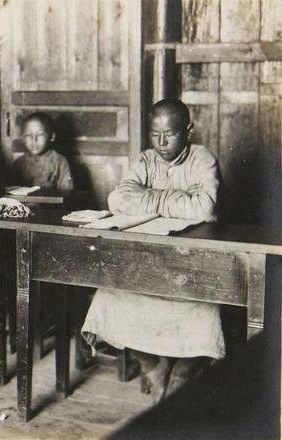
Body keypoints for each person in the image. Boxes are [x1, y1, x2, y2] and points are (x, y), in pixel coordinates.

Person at [82, 98, 223, 402]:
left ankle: (185, 370)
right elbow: (117, 201)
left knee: (202, 307)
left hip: (191, 262)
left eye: (169, 134)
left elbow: (205, 206)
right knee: (111, 295)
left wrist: (150, 197)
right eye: (155, 134)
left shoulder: (202, 160)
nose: (161, 143)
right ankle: (152, 365)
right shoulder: (145, 160)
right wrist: (175, 200)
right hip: (148, 258)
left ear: (189, 131)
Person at [11, 112, 73, 190]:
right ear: (23, 138)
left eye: (40, 135)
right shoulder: (18, 164)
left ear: (52, 137)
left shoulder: (60, 162)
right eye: (28, 135)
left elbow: (68, 193)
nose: (34, 140)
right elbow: (11, 191)